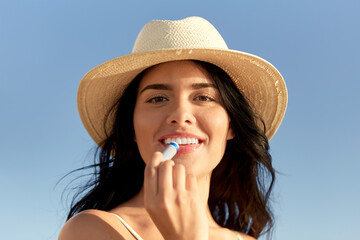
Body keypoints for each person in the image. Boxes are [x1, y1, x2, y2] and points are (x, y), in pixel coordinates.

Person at [58, 16, 287, 240]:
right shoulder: (91, 230)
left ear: (232, 124)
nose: (180, 115)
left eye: (203, 97)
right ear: (131, 128)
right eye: (157, 99)